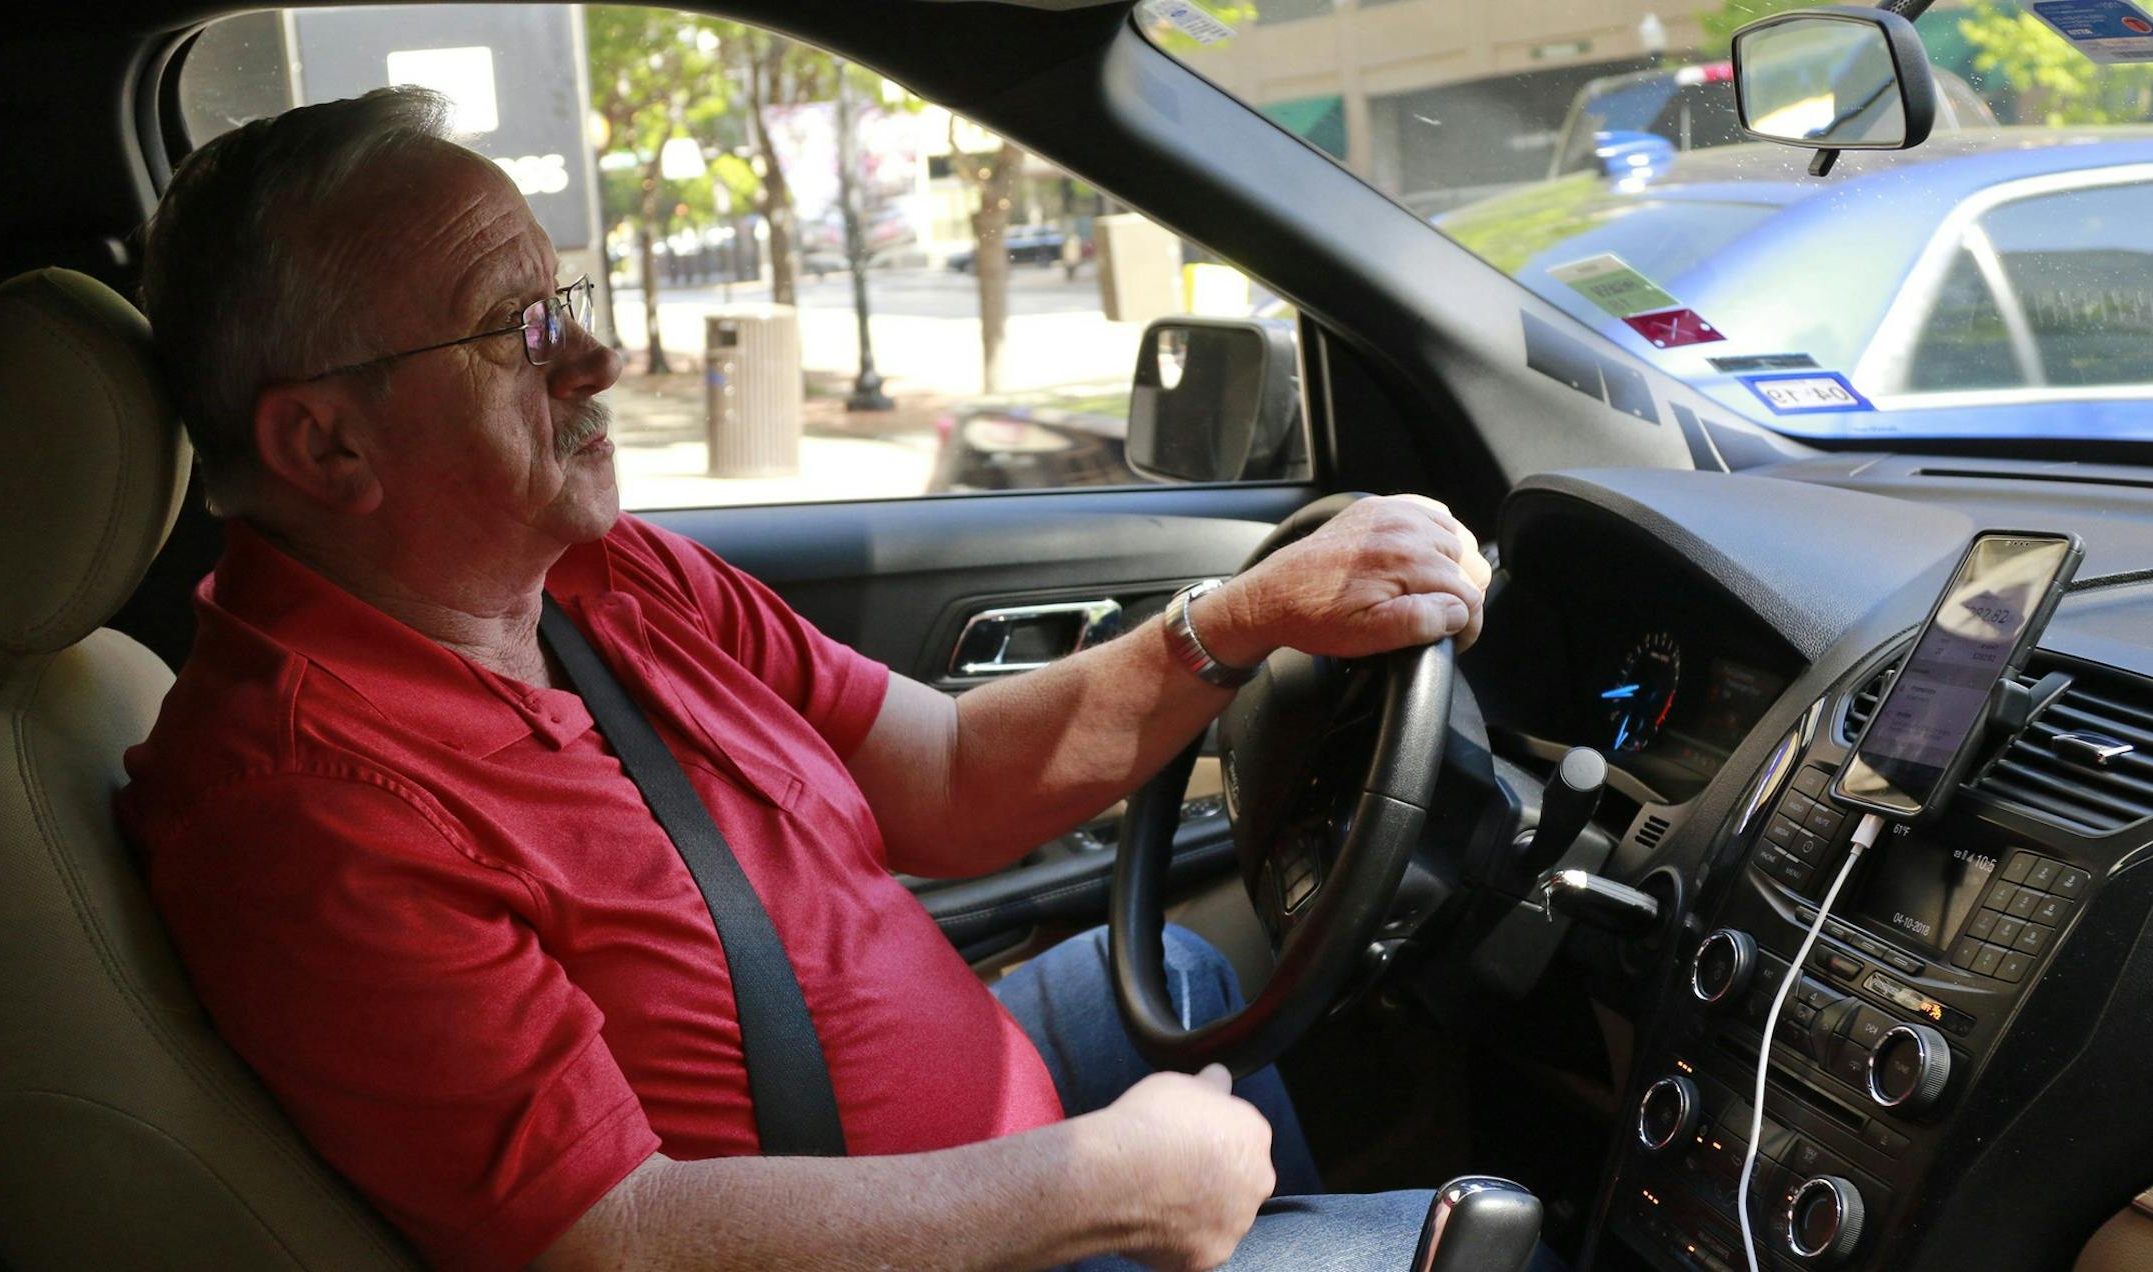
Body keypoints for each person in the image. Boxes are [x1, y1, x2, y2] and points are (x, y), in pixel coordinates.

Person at [117, 87, 1493, 1272]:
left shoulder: (607, 579)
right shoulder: (299, 809)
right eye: (516, 330)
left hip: (949, 1131)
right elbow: (614, 1239)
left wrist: (1239, 621)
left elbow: (948, 778)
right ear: (326, 447)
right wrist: (1099, 1191)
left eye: (567, 298)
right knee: (1501, 1238)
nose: (596, 359)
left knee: (1186, 969)